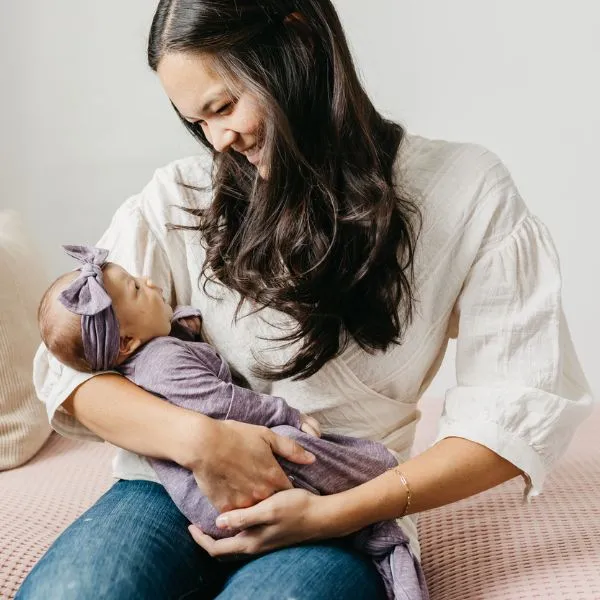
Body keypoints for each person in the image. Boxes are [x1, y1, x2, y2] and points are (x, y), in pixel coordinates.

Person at [17, 1, 593, 599]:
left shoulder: (465, 192)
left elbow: (517, 408)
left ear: (298, 41)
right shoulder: (178, 199)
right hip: (168, 483)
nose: (220, 140)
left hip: (337, 503)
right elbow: (69, 372)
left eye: (224, 107)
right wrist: (202, 442)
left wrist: (333, 515)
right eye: (199, 122)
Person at [36, 244, 428, 599]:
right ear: (125, 344)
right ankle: (371, 471)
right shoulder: (161, 358)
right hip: (191, 492)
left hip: (280, 511)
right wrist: (210, 435)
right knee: (77, 591)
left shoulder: (154, 347)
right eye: (137, 288)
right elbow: (63, 370)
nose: (148, 280)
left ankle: (363, 500)